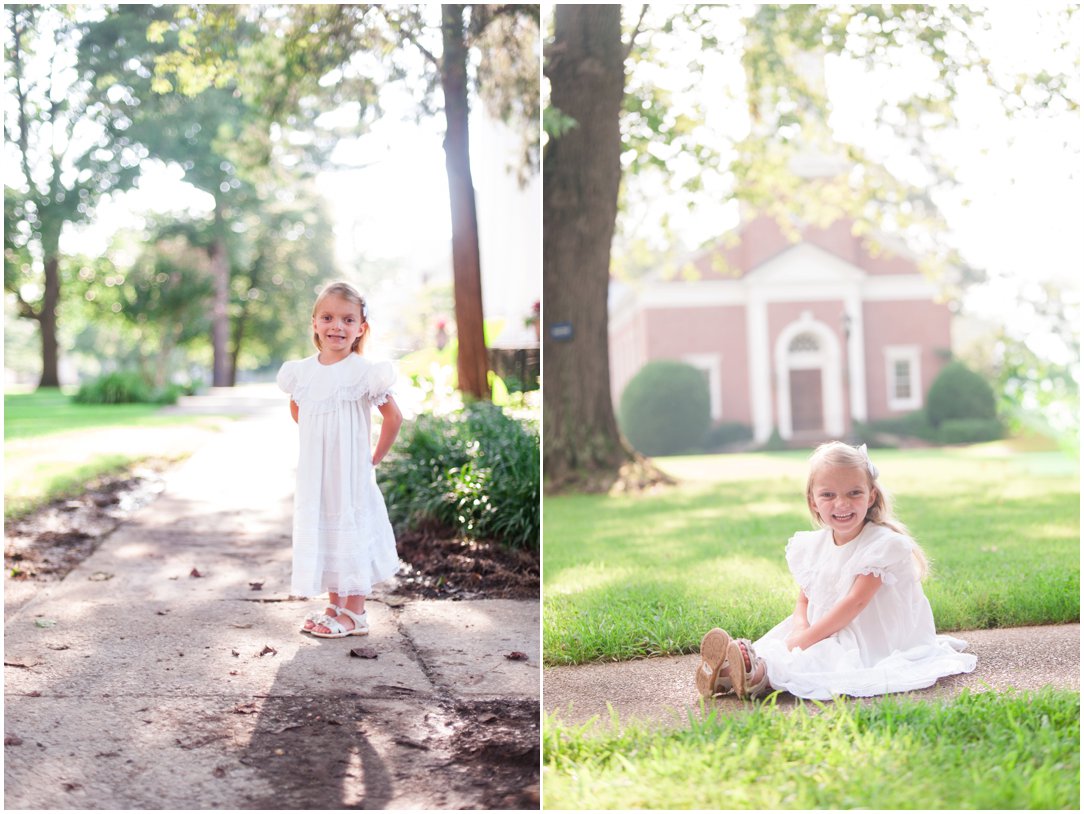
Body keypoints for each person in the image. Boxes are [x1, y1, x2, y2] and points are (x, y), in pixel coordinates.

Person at [696, 441, 976, 700]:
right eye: (828, 495)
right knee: (782, 647)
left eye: (854, 493)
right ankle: (725, 675)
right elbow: (804, 598)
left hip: (874, 639)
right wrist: (801, 628)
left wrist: (807, 639)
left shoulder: (882, 545)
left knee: (822, 658)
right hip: (827, 624)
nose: (842, 504)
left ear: (870, 496)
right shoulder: (813, 546)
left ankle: (753, 676)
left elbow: (855, 603)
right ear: (812, 502)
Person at [276, 281, 403, 638]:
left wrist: (373, 457)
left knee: (351, 529)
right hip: (318, 473)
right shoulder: (301, 372)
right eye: (328, 318)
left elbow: (394, 418)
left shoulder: (364, 373)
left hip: (350, 472)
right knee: (327, 532)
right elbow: (299, 408)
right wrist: (320, 442)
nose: (337, 326)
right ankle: (335, 604)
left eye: (348, 320)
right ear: (314, 322)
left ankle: (356, 613)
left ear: (361, 328)